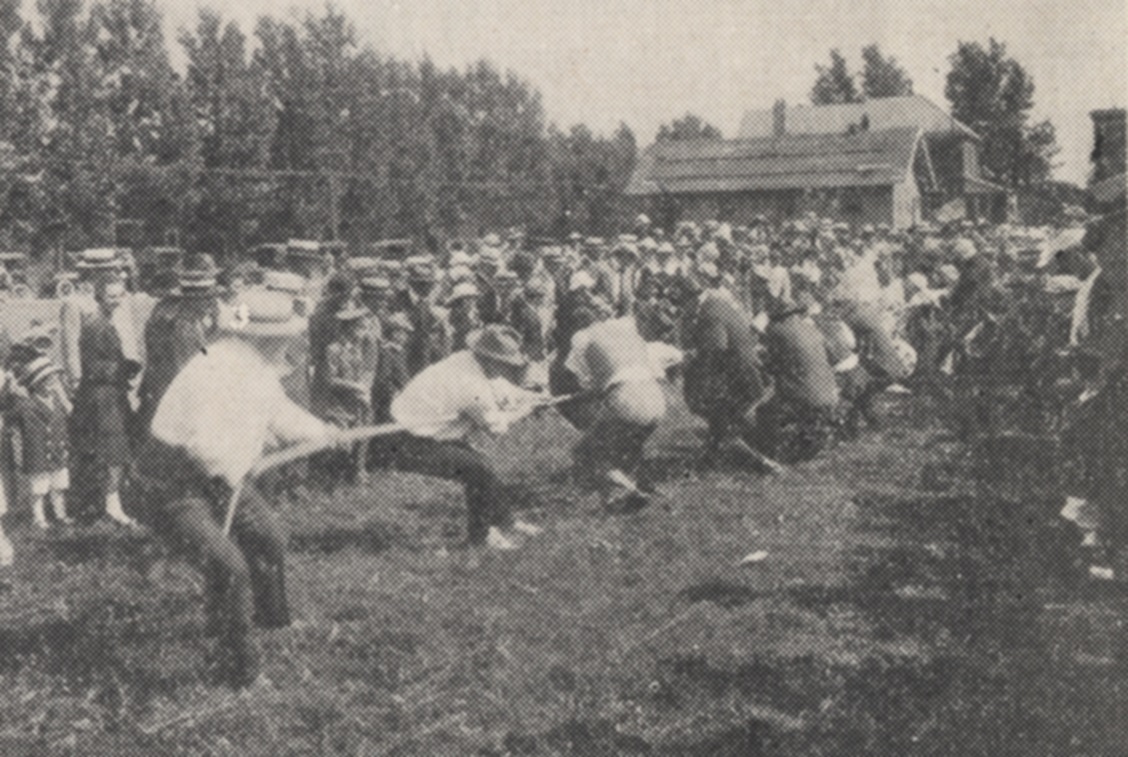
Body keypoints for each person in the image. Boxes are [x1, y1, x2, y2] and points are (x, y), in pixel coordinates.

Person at [135, 288, 338, 687]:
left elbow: (278, 412)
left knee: (270, 538)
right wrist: (242, 464)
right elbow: (205, 448)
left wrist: (323, 431)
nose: (290, 342)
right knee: (230, 568)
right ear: (266, 336)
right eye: (285, 335)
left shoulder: (253, 364)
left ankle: (270, 621)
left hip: (217, 476)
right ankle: (239, 670)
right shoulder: (216, 368)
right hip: (172, 485)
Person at [387, 325, 546, 550]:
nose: (507, 368)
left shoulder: (467, 359)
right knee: (478, 470)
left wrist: (531, 397)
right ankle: (480, 538)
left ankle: (506, 521)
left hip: (429, 430)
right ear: (488, 358)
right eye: (504, 363)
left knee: (482, 466)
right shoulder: (470, 384)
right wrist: (525, 410)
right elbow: (495, 428)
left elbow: (500, 387)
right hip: (408, 441)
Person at [564, 309, 667, 507]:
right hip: (656, 398)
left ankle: (625, 492)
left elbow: (583, 381)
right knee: (629, 446)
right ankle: (638, 485)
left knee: (586, 452)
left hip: (627, 398)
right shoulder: (627, 329)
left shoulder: (582, 338)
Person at [69, 276, 141, 527]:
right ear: (99, 297)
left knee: (113, 451)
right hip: (102, 399)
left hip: (109, 395)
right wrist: (123, 368)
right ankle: (110, 506)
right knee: (113, 452)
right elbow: (91, 368)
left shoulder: (104, 322)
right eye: (111, 296)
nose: (117, 301)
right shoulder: (95, 325)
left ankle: (106, 503)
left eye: (120, 295)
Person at [682, 263, 769, 467]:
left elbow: (715, 351)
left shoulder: (709, 312)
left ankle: (755, 459)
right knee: (711, 401)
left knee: (703, 398)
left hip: (742, 377)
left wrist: (692, 361)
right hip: (745, 372)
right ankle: (714, 450)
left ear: (690, 299)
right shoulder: (718, 303)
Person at [137, 253, 222, 431]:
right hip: (174, 395)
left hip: (161, 388)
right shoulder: (183, 322)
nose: (211, 302)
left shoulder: (168, 309)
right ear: (195, 296)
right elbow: (190, 365)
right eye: (208, 296)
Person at [757, 295, 841, 463]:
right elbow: (832, 357)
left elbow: (771, 366)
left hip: (803, 395)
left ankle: (768, 455)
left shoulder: (777, 330)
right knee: (802, 401)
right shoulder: (812, 328)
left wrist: (762, 361)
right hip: (830, 392)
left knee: (764, 411)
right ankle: (808, 443)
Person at [6, 357, 72, 528]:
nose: (52, 383)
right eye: (46, 380)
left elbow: (67, 418)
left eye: (54, 379)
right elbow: (9, 419)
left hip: (58, 450)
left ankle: (61, 514)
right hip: (37, 452)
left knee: (59, 485)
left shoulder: (58, 401)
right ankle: (39, 518)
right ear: (36, 384)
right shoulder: (25, 405)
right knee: (39, 488)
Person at [324, 305, 378, 480]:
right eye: (361, 328)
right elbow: (330, 380)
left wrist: (365, 388)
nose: (365, 332)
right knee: (342, 441)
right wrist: (355, 387)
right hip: (340, 401)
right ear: (348, 328)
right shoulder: (333, 349)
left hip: (359, 399)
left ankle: (359, 470)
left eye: (366, 328)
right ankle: (333, 475)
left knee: (363, 432)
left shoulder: (363, 347)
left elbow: (369, 369)